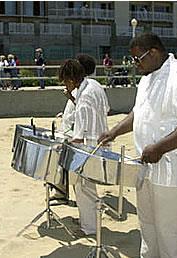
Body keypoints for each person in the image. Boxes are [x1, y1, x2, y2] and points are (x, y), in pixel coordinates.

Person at [98, 32, 177, 258]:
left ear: (155, 52)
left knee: (172, 235)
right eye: (133, 60)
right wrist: (114, 132)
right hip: (147, 170)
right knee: (148, 229)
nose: (136, 64)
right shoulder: (147, 78)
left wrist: (159, 148)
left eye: (139, 59)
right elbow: (139, 113)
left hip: (174, 174)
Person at [59, 59, 110, 236]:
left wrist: (63, 145)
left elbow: (80, 137)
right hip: (98, 144)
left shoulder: (85, 99)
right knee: (86, 188)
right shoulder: (94, 85)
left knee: (83, 188)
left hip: (89, 149)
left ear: (72, 80)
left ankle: (89, 228)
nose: (66, 85)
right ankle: (88, 221)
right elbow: (106, 109)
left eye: (66, 81)